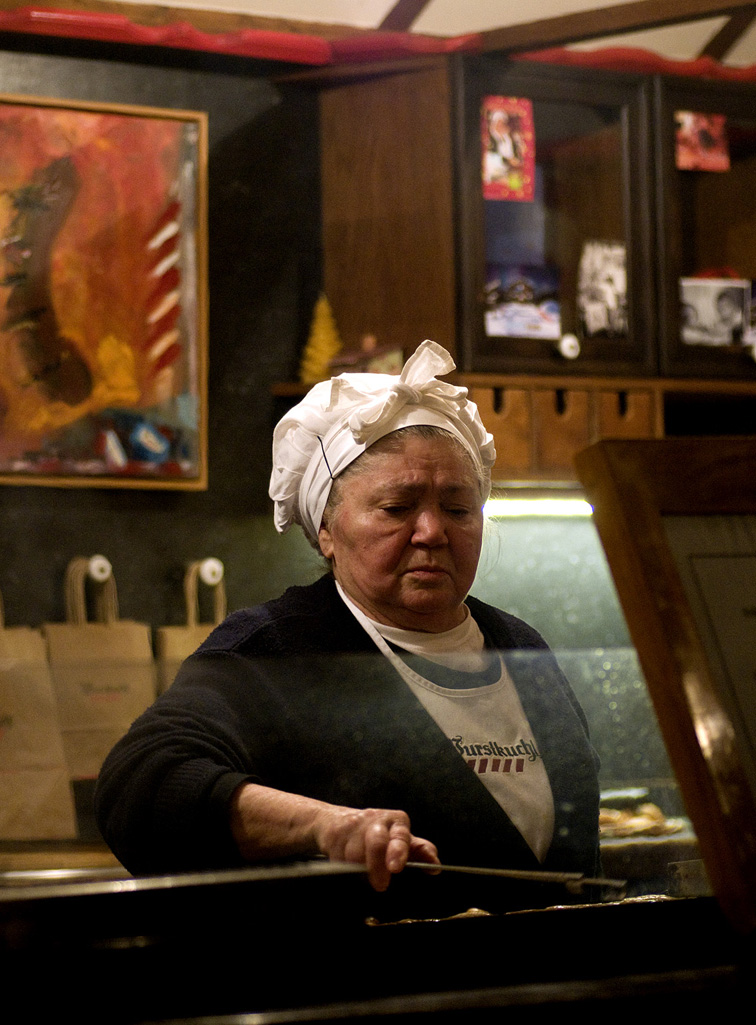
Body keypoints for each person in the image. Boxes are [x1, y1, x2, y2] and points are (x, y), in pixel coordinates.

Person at [95, 340, 600, 911]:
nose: (432, 531)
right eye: (396, 507)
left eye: (459, 509)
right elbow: (139, 787)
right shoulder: (275, 651)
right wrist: (325, 827)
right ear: (327, 530)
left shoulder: (520, 647)